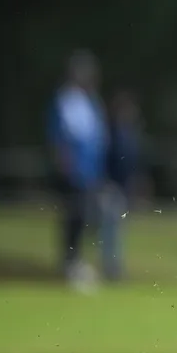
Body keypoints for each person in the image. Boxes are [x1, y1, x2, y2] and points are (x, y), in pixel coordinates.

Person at [47, 50, 108, 291]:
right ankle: (70, 262)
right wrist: (65, 163)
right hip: (75, 173)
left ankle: (77, 260)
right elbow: (59, 136)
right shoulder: (66, 100)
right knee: (75, 216)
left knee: (87, 217)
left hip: (90, 172)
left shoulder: (90, 102)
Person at [100, 89, 144, 282]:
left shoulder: (128, 133)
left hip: (123, 187)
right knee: (110, 228)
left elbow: (133, 163)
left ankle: (114, 267)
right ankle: (109, 267)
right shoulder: (111, 132)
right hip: (111, 185)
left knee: (117, 228)